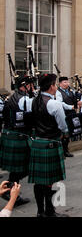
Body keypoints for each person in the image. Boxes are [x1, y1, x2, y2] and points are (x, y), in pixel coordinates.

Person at [29, 73, 68, 217]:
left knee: (39, 182)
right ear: (51, 86)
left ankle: (40, 212)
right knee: (49, 181)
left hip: (37, 143)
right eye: (55, 84)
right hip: (51, 143)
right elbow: (63, 126)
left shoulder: (34, 100)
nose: (56, 86)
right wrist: (65, 132)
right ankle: (50, 211)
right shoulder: (54, 103)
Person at [0, 76, 33, 206]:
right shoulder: (24, 99)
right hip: (18, 136)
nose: (33, 87)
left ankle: (11, 192)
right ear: (25, 86)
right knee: (27, 167)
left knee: (17, 169)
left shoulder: (13, 97)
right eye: (31, 85)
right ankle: (9, 189)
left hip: (11, 134)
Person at [56, 76, 82, 157]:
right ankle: (61, 151)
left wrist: (80, 101)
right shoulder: (58, 92)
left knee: (68, 132)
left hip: (71, 113)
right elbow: (60, 103)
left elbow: (79, 95)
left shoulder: (71, 90)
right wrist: (70, 107)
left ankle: (66, 150)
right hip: (64, 113)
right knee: (63, 132)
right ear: (60, 84)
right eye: (64, 82)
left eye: (67, 82)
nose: (67, 83)